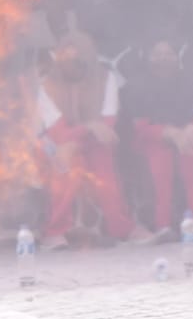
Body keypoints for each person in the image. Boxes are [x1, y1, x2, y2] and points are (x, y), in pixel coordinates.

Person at [35, 29, 152, 250]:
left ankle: (121, 226)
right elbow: (56, 130)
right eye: (65, 59)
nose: (70, 64)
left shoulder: (106, 79)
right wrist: (88, 127)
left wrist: (82, 136)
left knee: (103, 164)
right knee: (67, 165)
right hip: (53, 142)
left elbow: (107, 124)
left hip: (91, 139)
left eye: (76, 59)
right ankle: (54, 230)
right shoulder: (47, 84)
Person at [119, 36, 193, 241]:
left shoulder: (190, 84)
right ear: (148, 58)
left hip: (185, 136)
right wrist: (169, 133)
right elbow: (138, 124)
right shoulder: (136, 86)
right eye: (157, 54)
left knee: (192, 154)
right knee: (161, 162)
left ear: (177, 57)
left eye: (169, 54)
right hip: (148, 138)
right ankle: (162, 224)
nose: (164, 58)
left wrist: (192, 130)